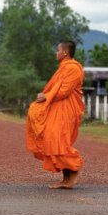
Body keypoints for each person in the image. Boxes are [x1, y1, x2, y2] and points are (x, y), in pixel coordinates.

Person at [26, 40, 85, 189]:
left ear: (65, 52)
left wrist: (46, 96)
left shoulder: (73, 68)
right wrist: (45, 95)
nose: (56, 52)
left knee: (57, 140)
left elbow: (64, 90)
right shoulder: (63, 67)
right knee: (52, 140)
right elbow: (57, 88)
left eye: (58, 50)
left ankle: (74, 168)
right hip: (58, 108)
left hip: (67, 110)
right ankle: (66, 179)